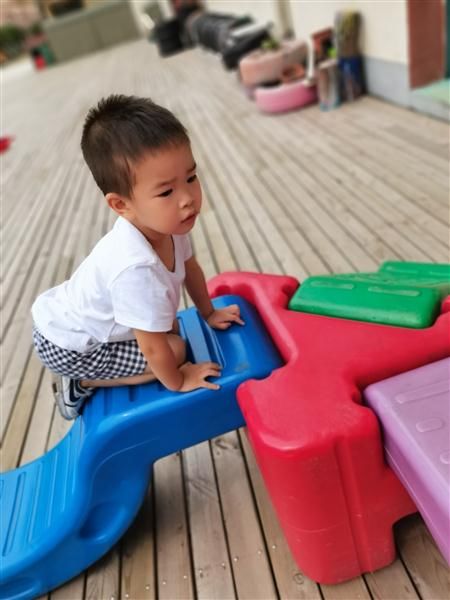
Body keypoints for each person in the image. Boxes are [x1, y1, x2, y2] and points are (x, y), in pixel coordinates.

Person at [31, 94, 244, 420]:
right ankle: (80, 382)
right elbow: (153, 348)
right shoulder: (135, 268)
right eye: (166, 191)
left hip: (75, 321)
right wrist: (179, 379)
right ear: (121, 205)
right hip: (68, 346)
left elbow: (191, 269)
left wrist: (209, 313)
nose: (187, 199)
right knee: (174, 351)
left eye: (191, 178)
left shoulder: (169, 224)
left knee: (171, 329)